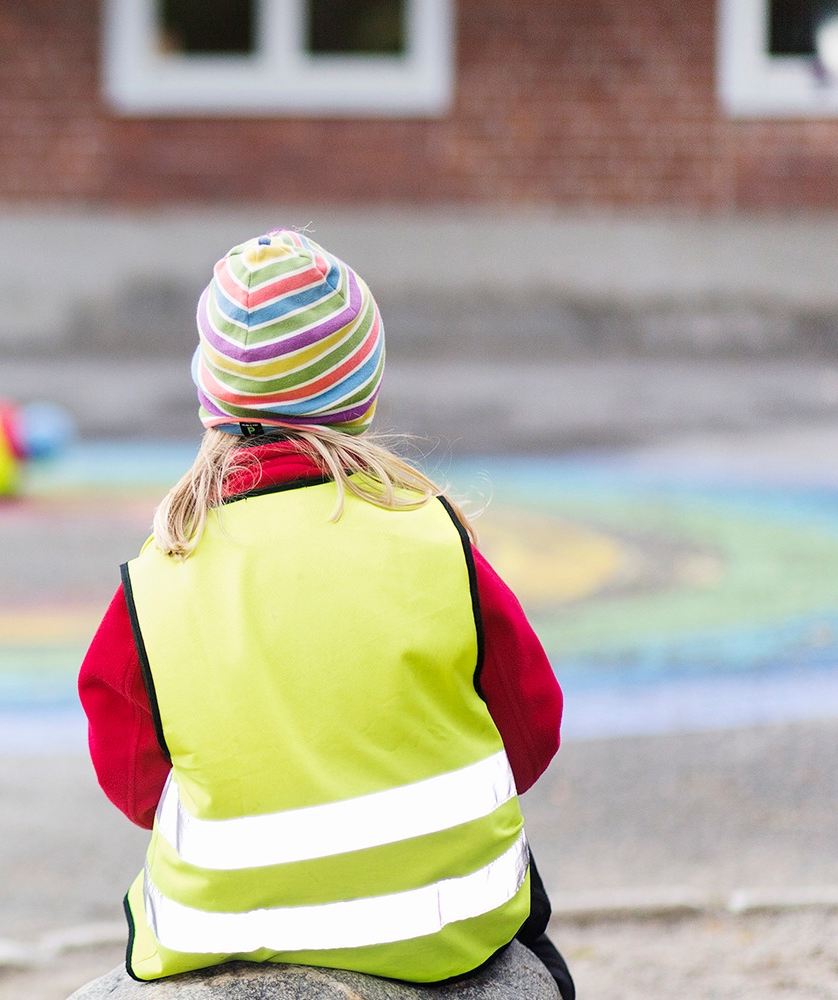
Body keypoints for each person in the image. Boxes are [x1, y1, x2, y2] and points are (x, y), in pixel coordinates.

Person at [79, 231, 575, 999]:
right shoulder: (433, 537)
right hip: (450, 931)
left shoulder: (160, 574)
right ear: (362, 391)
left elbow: (134, 782)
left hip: (221, 933)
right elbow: (531, 730)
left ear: (210, 398)